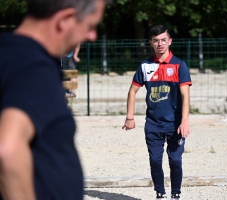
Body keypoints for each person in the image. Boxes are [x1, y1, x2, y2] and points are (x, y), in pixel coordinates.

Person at [0, 0, 106, 199]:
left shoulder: (9, 54)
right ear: (65, 19)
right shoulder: (33, 68)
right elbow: (7, 149)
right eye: (90, 26)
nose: (92, 36)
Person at [122, 25, 192, 200]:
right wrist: (130, 117)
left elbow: (185, 95)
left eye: (163, 40)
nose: (160, 44)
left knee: (175, 160)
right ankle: (160, 193)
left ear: (169, 41)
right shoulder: (145, 66)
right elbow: (132, 91)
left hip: (175, 123)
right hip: (153, 123)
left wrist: (185, 121)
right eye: (156, 40)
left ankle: (176, 194)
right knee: (155, 160)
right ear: (151, 43)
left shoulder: (179, 65)